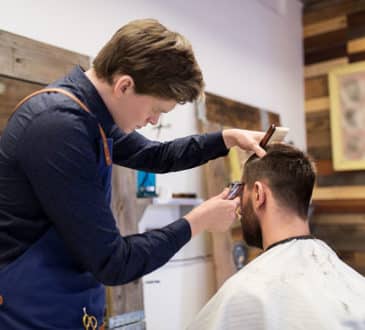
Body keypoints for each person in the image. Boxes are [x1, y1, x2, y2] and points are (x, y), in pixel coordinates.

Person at [0, 19, 266, 329]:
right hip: (27, 314)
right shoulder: (59, 128)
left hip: (63, 306)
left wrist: (227, 138)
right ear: (124, 85)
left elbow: (155, 154)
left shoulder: (91, 117)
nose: (153, 120)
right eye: (156, 109)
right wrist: (198, 222)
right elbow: (113, 262)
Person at [188, 144, 365, 330]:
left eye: (242, 190)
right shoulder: (355, 284)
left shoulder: (247, 292)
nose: (239, 204)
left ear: (258, 194)